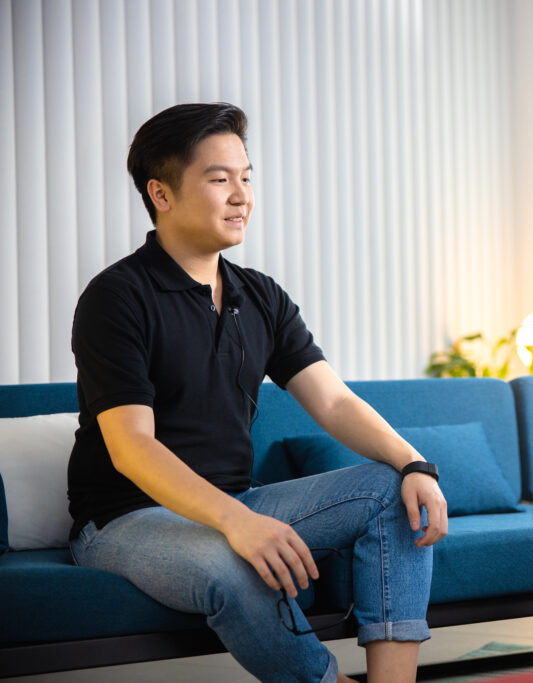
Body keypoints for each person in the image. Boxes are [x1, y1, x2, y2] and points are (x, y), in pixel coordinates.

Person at [67, 102, 447, 683]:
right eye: (220, 179)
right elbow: (132, 447)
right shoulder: (118, 296)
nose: (242, 195)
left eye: (246, 177)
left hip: (235, 500)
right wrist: (234, 523)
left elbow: (334, 401)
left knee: (395, 490)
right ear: (161, 194)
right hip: (126, 519)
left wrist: (415, 463)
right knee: (231, 559)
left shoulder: (260, 295)